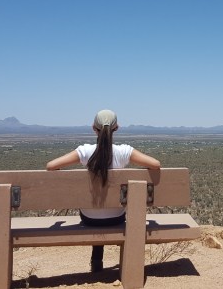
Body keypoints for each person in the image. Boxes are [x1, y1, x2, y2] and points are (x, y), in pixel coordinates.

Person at [46, 109, 161, 272]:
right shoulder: (124, 152)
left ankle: (96, 260)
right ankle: (111, 263)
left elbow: (51, 166)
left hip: (89, 219)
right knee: (109, 208)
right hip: (116, 219)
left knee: (96, 206)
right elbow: (155, 164)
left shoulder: (84, 151)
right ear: (117, 128)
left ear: (94, 128)